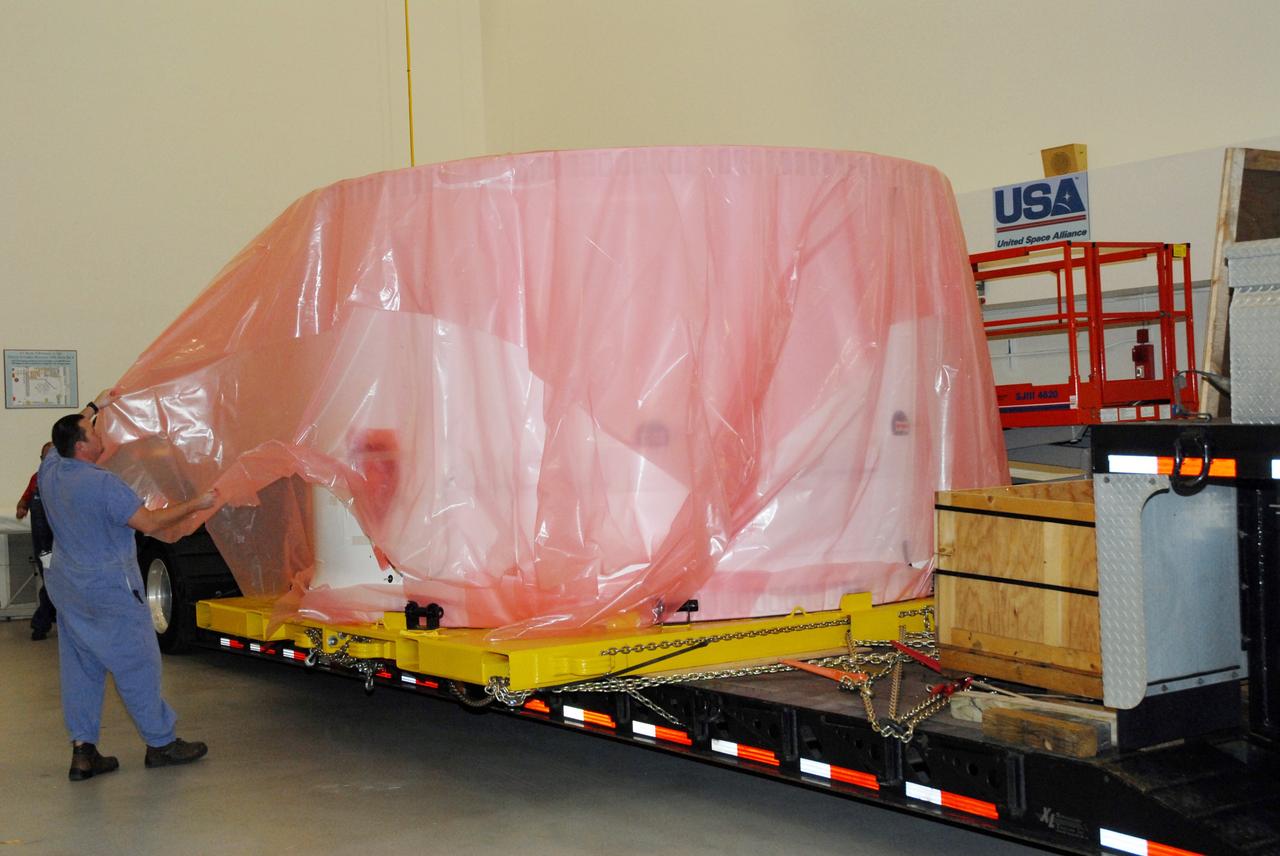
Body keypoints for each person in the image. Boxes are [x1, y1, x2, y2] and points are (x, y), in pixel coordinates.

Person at [40, 392, 217, 781]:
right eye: (92, 430)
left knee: (81, 668)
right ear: (83, 446)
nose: (99, 433)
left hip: (69, 588)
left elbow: (57, 439)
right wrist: (198, 503)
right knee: (137, 664)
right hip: (110, 589)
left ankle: (83, 752)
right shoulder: (105, 485)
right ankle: (161, 743)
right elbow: (152, 524)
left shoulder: (51, 470)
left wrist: (96, 406)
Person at [15, 442, 58, 640]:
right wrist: (22, 508)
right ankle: (42, 622)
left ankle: (42, 621)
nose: (47, 462)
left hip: (64, 545)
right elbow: (24, 499)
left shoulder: (65, 480)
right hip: (44, 546)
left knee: (57, 583)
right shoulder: (36, 479)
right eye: (44, 458)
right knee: (51, 581)